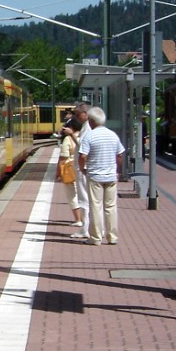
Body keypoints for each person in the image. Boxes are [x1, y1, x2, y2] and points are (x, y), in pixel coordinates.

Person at [77, 106, 125, 246]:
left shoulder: (89, 136)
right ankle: (112, 237)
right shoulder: (112, 135)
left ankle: (96, 238)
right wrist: (117, 170)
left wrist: (82, 169)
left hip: (95, 176)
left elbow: (83, 156)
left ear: (91, 121)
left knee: (96, 207)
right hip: (111, 176)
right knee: (111, 207)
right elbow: (120, 155)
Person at [62, 103, 92, 239]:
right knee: (88, 199)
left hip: (84, 167)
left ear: (85, 114)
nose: (76, 117)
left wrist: (71, 135)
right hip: (85, 167)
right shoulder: (88, 126)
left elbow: (83, 146)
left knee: (84, 199)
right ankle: (91, 228)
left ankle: (86, 229)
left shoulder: (88, 127)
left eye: (78, 114)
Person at [57, 117, 85, 227]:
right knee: (83, 194)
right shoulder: (84, 137)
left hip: (70, 170)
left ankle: (78, 219)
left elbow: (63, 158)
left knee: (72, 195)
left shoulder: (68, 139)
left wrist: (59, 173)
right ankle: (85, 218)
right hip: (83, 169)